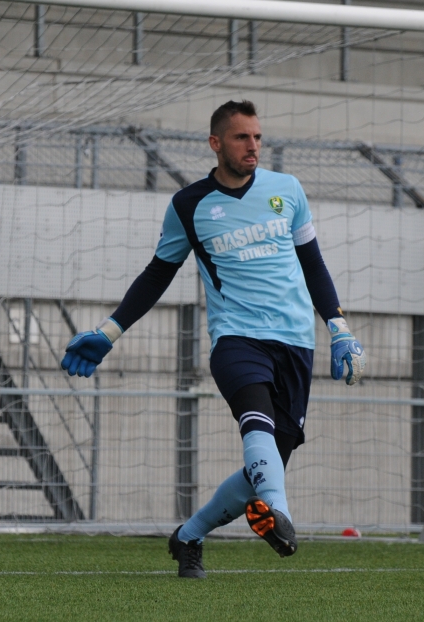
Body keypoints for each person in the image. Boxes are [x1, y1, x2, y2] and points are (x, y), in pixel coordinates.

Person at [60, 100, 366, 578]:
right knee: (256, 426)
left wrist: (339, 328)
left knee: (267, 462)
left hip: (294, 344)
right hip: (236, 340)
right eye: (243, 137)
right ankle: (279, 513)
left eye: (258, 137)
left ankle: (189, 536)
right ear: (216, 143)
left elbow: (314, 264)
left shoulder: (288, 190)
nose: (253, 147)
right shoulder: (190, 204)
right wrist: (109, 331)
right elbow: (157, 273)